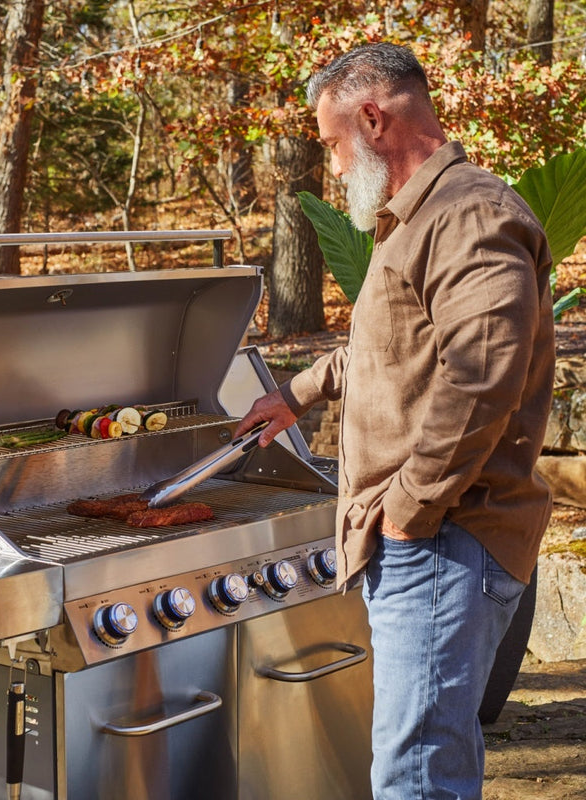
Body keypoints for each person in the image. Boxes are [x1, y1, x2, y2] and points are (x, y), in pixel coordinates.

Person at [235, 42, 555, 800]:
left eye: (332, 144)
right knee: (426, 762)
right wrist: (297, 392)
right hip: (430, 540)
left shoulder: (470, 215)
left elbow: (480, 379)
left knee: (416, 778)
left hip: (445, 543)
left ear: (372, 118)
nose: (334, 166)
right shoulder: (414, 219)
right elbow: (393, 354)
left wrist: (408, 511)